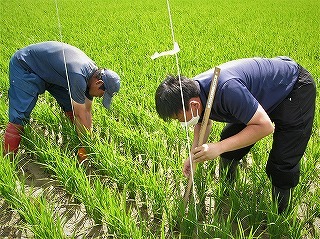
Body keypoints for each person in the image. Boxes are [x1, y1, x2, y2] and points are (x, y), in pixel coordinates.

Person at [155, 56, 316, 213]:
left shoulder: (226, 89)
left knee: (282, 161)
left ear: (194, 104)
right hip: (259, 97)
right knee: (229, 145)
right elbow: (202, 123)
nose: (179, 122)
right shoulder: (193, 94)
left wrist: (218, 148)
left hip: (292, 90)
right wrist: (193, 155)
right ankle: (227, 192)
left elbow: (265, 126)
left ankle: (280, 216)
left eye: (178, 118)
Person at [3, 41, 120, 161]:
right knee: (19, 116)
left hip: (49, 71)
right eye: (103, 94)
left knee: (70, 105)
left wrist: (88, 140)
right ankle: (8, 161)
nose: (100, 97)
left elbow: (87, 111)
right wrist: (86, 147)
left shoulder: (91, 77)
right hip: (26, 66)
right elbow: (80, 114)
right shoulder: (79, 76)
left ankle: (77, 140)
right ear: (99, 83)